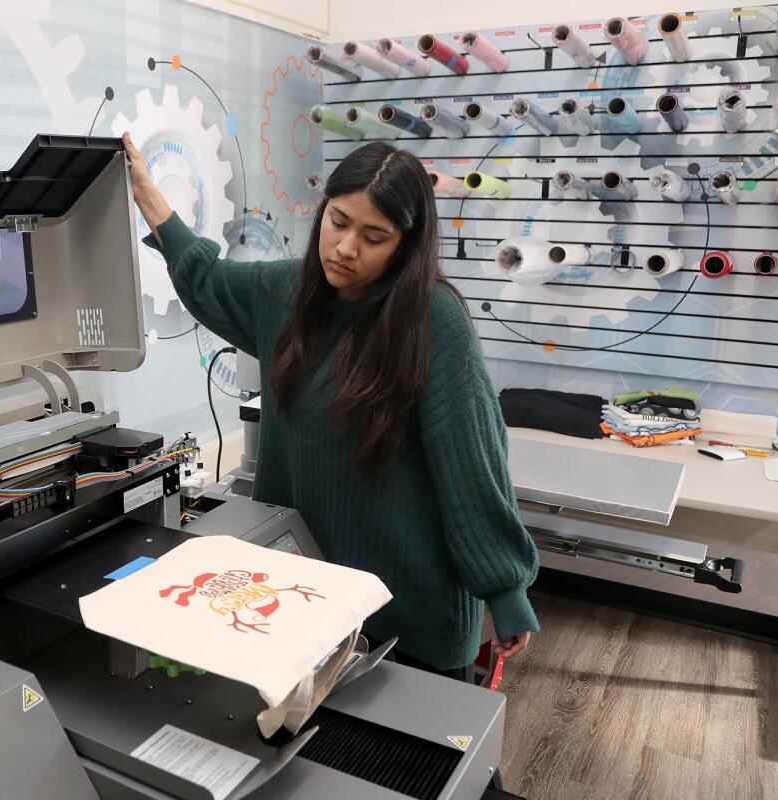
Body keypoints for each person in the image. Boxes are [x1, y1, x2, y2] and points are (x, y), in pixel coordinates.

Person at [123, 133, 539, 680]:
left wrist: (505, 589)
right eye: (338, 222)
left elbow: (472, 466)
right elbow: (208, 281)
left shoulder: (434, 320)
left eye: (374, 237)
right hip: (302, 601)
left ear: (405, 245)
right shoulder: (287, 292)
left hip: (408, 612)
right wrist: (148, 194)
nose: (345, 248)